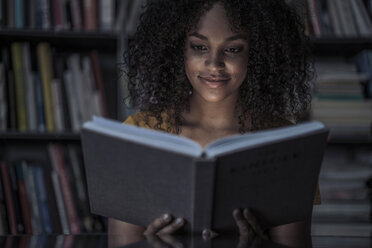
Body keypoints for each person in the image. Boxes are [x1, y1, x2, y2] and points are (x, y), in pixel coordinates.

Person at [109, 0, 320, 246]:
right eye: (199, 47)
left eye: (232, 49)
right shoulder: (137, 132)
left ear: (258, 52)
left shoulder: (287, 142)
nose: (214, 64)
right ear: (178, 49)